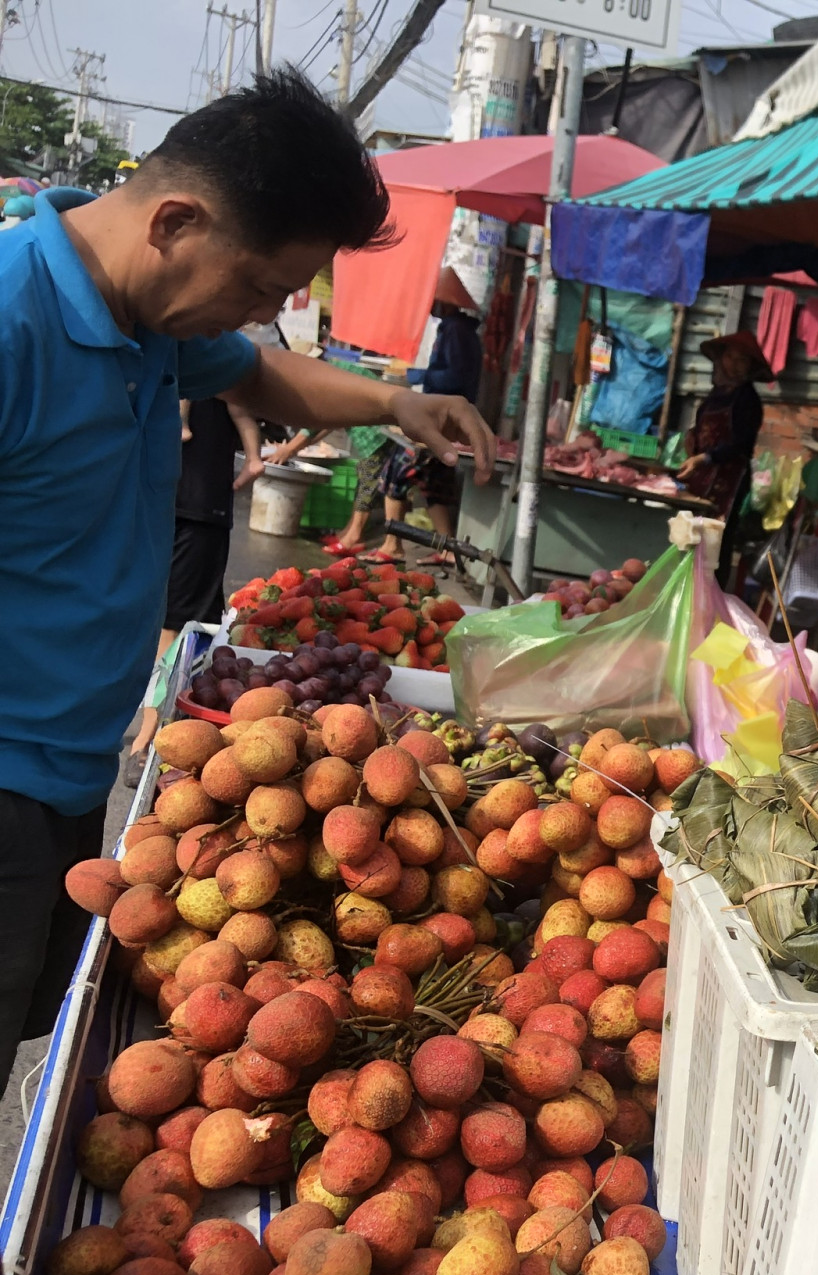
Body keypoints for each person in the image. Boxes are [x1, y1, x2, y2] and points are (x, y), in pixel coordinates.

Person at [0, 67, 494, 1092]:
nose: (268, 313)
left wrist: (395, 405)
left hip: (66, 771)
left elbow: (256, 373)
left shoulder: (149, 314)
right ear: (176, 220)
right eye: (263, 286)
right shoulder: (13, 321)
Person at [123, 393, 271, 785]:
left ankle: (160, 736)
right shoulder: (202, 351)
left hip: (183, 502)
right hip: (190, 504)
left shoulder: (193, 352)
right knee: (176, 625)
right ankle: (154, 736)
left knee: (181, 625)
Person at [327, 267, 483, 562]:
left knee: (395, 473)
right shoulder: (460, 331)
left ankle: (392, 547)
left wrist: (416, 374)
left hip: (440, 417)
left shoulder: (454, 330)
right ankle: (448, 550)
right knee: (433, 483)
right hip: (448, 416)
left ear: (445, 303)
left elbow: (452, 377)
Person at [680, 330, 768, 581]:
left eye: (742, 360)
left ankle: (713, 593)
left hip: (729, 478)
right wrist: (693, 439)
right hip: (703, 474)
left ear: (750, 367)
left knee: (717, 538)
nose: (734, 364)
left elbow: (741, 443)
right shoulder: (716, 393)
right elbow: (704, 428)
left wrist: (704, 458)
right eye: (730, 357)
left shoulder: (747, 399)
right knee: (692, 533)